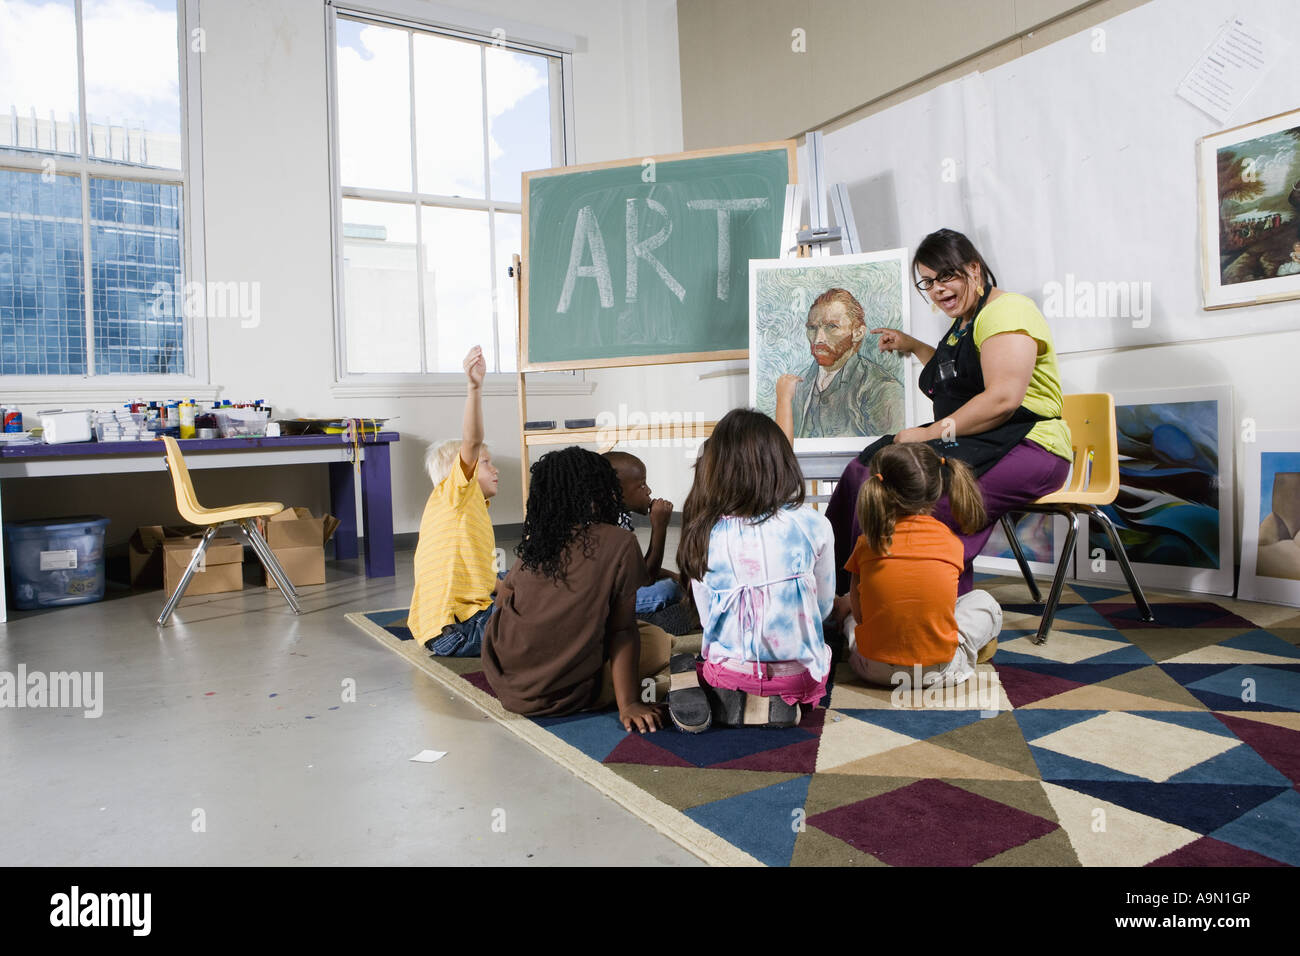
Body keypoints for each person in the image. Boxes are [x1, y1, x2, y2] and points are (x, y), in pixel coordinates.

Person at [823, 229, 1073, 595]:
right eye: (928, 282)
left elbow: (1002, 399)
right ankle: (837, 593)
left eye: (945, 276)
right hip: (979, 435)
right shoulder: (963, 324)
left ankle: (932, 612)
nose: (937, 289)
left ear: (974, 269)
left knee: (921, 496)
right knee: (866, 470)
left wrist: (927, 433)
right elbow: (955, 378)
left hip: (1032, 445)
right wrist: (912, 345)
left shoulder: (1007, 311)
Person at [667, 409, 836, 734]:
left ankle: (726, 694)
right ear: (783, 461)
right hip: (802, 675)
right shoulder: (815, 523)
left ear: (715, 469)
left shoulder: (704, 532)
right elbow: (823, 609)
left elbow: (708, 621)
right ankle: (779, 700)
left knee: (691, 661)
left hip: (731, 672)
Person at [481, 447, 669, 733]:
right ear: (604, 491)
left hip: (506, 682)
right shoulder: (620, 541)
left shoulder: (539, 540)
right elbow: (622, 630)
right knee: (657, 641)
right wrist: (629, 704)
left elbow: (504, 599)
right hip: (563, 695)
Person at [846, 443, 1002, 688]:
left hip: (871, 668)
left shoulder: (866, 544)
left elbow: (859, 616)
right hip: (937, 672)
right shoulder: (951, 542)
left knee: (850, 615)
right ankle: (970, 651)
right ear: (938, 487)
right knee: (985, 603)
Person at [407, 345, 501, 656]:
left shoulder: (459, 507)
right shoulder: (456, 492)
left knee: (512, 577)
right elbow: (471, 440)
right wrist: (474, 387)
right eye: (485, 462)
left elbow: (486, 578)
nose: (493, 468)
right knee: (558, 611)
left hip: (442, 629)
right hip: (460, 629)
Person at [780, 288, 904, 440]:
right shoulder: (796, 386)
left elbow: (895, 454)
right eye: (812, 328)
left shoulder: (882, 388)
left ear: (858, 333)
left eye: (832, 327)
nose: (818, 339)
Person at [602, 451, 680, 614]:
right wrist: (660, 526)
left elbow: (638, 569)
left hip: (617, 592)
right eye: (641, 485)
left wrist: (680, 577)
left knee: (679, 584)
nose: (649, 491)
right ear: (615, 493)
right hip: (603, 604)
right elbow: (646, 579)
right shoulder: (603, 528)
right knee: (669, 591)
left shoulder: (621, 516)